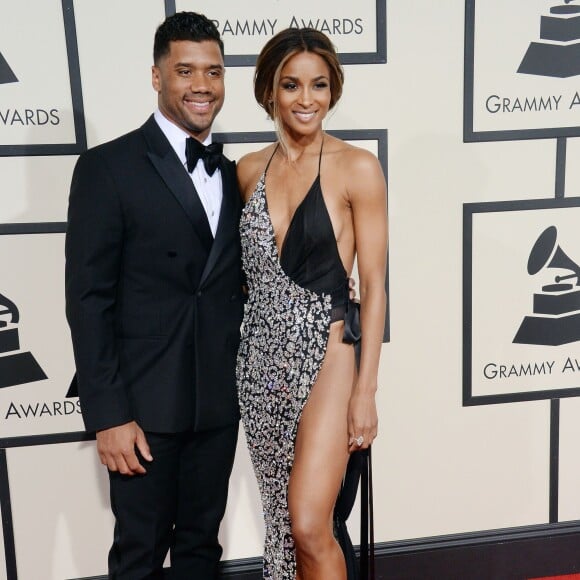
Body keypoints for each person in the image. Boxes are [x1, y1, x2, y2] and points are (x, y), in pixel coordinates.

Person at [65, 12, 244, 579]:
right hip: (142, 410)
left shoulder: (236, 174)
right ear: (156, 76)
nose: (201, 85)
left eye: (213, 72)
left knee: (200, 551)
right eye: (185, 70)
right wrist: (109, 414)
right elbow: (88, 299)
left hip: (216, 403)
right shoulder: (106, 167)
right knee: (138, 554)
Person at [236, 28, 388, 580]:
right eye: (292, 85)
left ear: (333, 90)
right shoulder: (248, 170)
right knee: (281, 524)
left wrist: (366, 390)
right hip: (258, 365)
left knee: (308, 523)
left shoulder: (357, 168)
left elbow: (373, 285)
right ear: (269, 92)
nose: (306, 99)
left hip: (327, 357)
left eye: (319, 85)